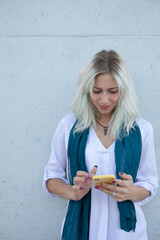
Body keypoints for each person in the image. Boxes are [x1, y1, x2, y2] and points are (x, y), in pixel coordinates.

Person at [43, 50, 158, 240]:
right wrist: (74, 191)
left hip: (127, 232)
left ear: (124, 89)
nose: (104, 100)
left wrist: (132, 191)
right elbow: (51, 178)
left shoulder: (142, 129)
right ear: (87, 89)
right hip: (83, 228)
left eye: (113, 91)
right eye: (97, 91)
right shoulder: (69, 126)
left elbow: (150, 183)